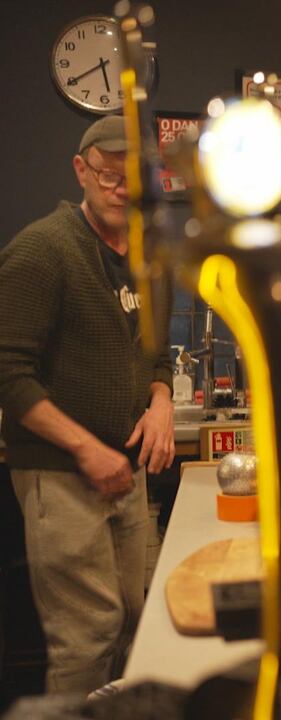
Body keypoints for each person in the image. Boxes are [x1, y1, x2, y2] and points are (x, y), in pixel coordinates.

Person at [0, 115, 174, 693]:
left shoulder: (148, 258)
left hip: (124, 471)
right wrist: (86, 449)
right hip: (63, 473)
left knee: (129, 624)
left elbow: (155, 355)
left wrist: (161, 401)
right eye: (108, 175)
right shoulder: (41, 251)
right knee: (89, 636)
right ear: (81, 170)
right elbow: (8, 375)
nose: (122, 189)